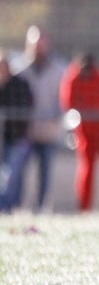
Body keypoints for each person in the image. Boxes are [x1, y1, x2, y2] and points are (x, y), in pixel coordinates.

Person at [60, 52, 99, 213]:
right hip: (86, 133)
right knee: (87, 170)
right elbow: (68, 103)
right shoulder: (73, 78)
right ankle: (84, 208)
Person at [14, 26, 67, 212]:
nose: (39, 47)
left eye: (42, 43)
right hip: (25, 132)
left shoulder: (59, 68)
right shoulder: (19, 68)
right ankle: (17, 207)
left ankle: (43, 209)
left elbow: (64, 98)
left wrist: (57, 115)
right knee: (18, 173)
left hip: (49, 131)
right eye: (35, 44)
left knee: (45, 175)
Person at [0, 53, 34, 213]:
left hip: (15, 138)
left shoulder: (19, 84)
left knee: (13, 177)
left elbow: (26, 109)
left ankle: (8, 209)